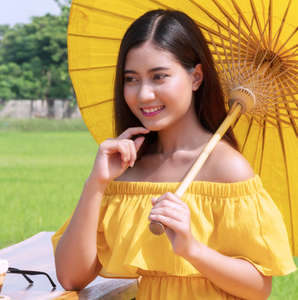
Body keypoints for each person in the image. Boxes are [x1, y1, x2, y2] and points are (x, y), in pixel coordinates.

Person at [51, 9, 296, 300]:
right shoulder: (125, 168)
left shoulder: (228, 169)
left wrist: (192, 249)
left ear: (196, 77)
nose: (143, 95)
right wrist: (96, 183)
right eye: (131, 79)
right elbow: (70, 276)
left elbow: (259, 288)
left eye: (159, 77)